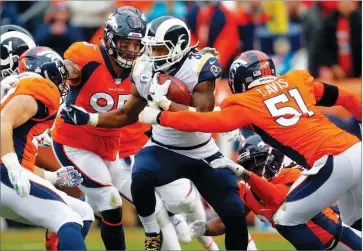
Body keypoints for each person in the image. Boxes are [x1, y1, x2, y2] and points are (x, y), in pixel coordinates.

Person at [136, 49, 362, 249]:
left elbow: (203, 122)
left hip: (331, 161)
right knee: (355, 223)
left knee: (285, 219)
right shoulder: (296, 80)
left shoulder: (246, 102)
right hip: (356, 149)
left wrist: (160, 116)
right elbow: (347, 97)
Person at [60, 16, 249, 251]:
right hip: (153, 147)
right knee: (143, 188)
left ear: (179, 46)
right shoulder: (141, 65)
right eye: (149, 48)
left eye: (158, 48)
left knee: (222, 210)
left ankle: (210, 241)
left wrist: (163, 109)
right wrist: (89, 116)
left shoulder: (199, 66)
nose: (149, 54)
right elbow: (127, 113)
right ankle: (155, 232)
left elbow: (201, 117)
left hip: (197, 148)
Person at [190, 135, 362, 250]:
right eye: (249, 166)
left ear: (271, 159)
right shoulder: (247, 190)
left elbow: (277, 198)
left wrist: (244, 173)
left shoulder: (292, 174)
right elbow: (229, 221)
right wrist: (203, 228)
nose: (253, 170)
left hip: (339, 239)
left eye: (257, 165)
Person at [0, 46, 94, 251]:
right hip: (5, 175)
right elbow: (3, 123)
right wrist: (12, 168)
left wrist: (54, 177)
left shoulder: (15, 93)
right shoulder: (42, 87)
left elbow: (19, 157)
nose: (64, 84)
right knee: (69, 218)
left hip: (9, 179)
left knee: (83, 212)